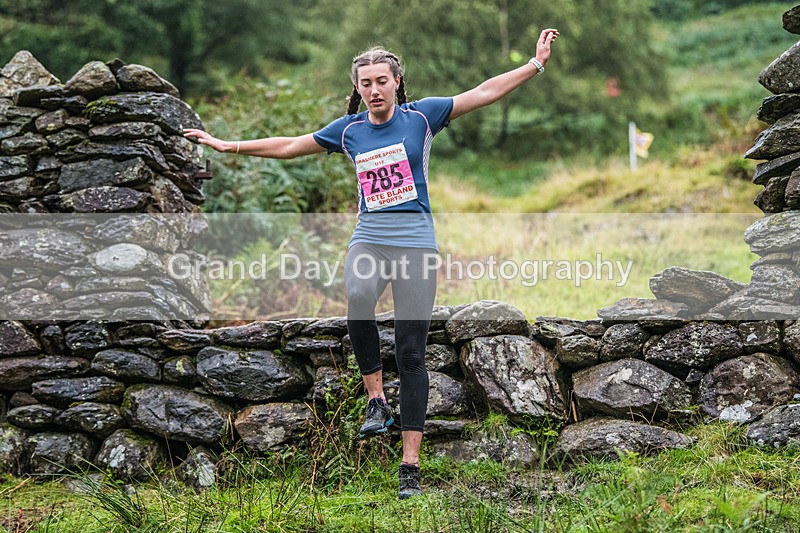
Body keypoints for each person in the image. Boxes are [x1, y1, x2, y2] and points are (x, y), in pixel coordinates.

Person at [184, 27, 558, 499]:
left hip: (417, 245)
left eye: (383, 80)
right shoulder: (349, 131)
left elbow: (483, 92)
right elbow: (289, 145)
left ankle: (410, 467)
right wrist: (226, 145)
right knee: (358, 296)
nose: (375, 90)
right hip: (371, 240)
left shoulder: (423, 117)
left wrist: (535, 63)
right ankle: (376, 400)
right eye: (367, 83)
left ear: (398, 81)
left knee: (411, 353)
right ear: (357, 88)